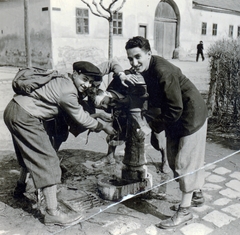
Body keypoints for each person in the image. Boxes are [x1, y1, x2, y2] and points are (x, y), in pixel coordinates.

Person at [3, 61, 118, 227]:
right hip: (25, 117)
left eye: (90, 83)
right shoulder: (68, 91)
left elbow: (76, 109)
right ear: (76, 73)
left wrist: (98, 113)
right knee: (48, 160)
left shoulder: (63, 78)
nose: (86, 85)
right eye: (84, 79)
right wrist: (103, 126)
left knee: (28, 152)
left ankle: (20, 188)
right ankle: (53, 213)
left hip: (14, 110)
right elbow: (79, 117)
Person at [121, 36, 208, 229]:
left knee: (185, 161)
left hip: (191, 114)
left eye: (137, 57)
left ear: (149, 53)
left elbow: (175, 108)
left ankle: (184, 212)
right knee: (174, 156)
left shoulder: (162, 71)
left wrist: (153, 126)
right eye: (130, 59)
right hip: (177, 115)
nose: (134, 63)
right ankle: (196, 194)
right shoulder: (148, 68)